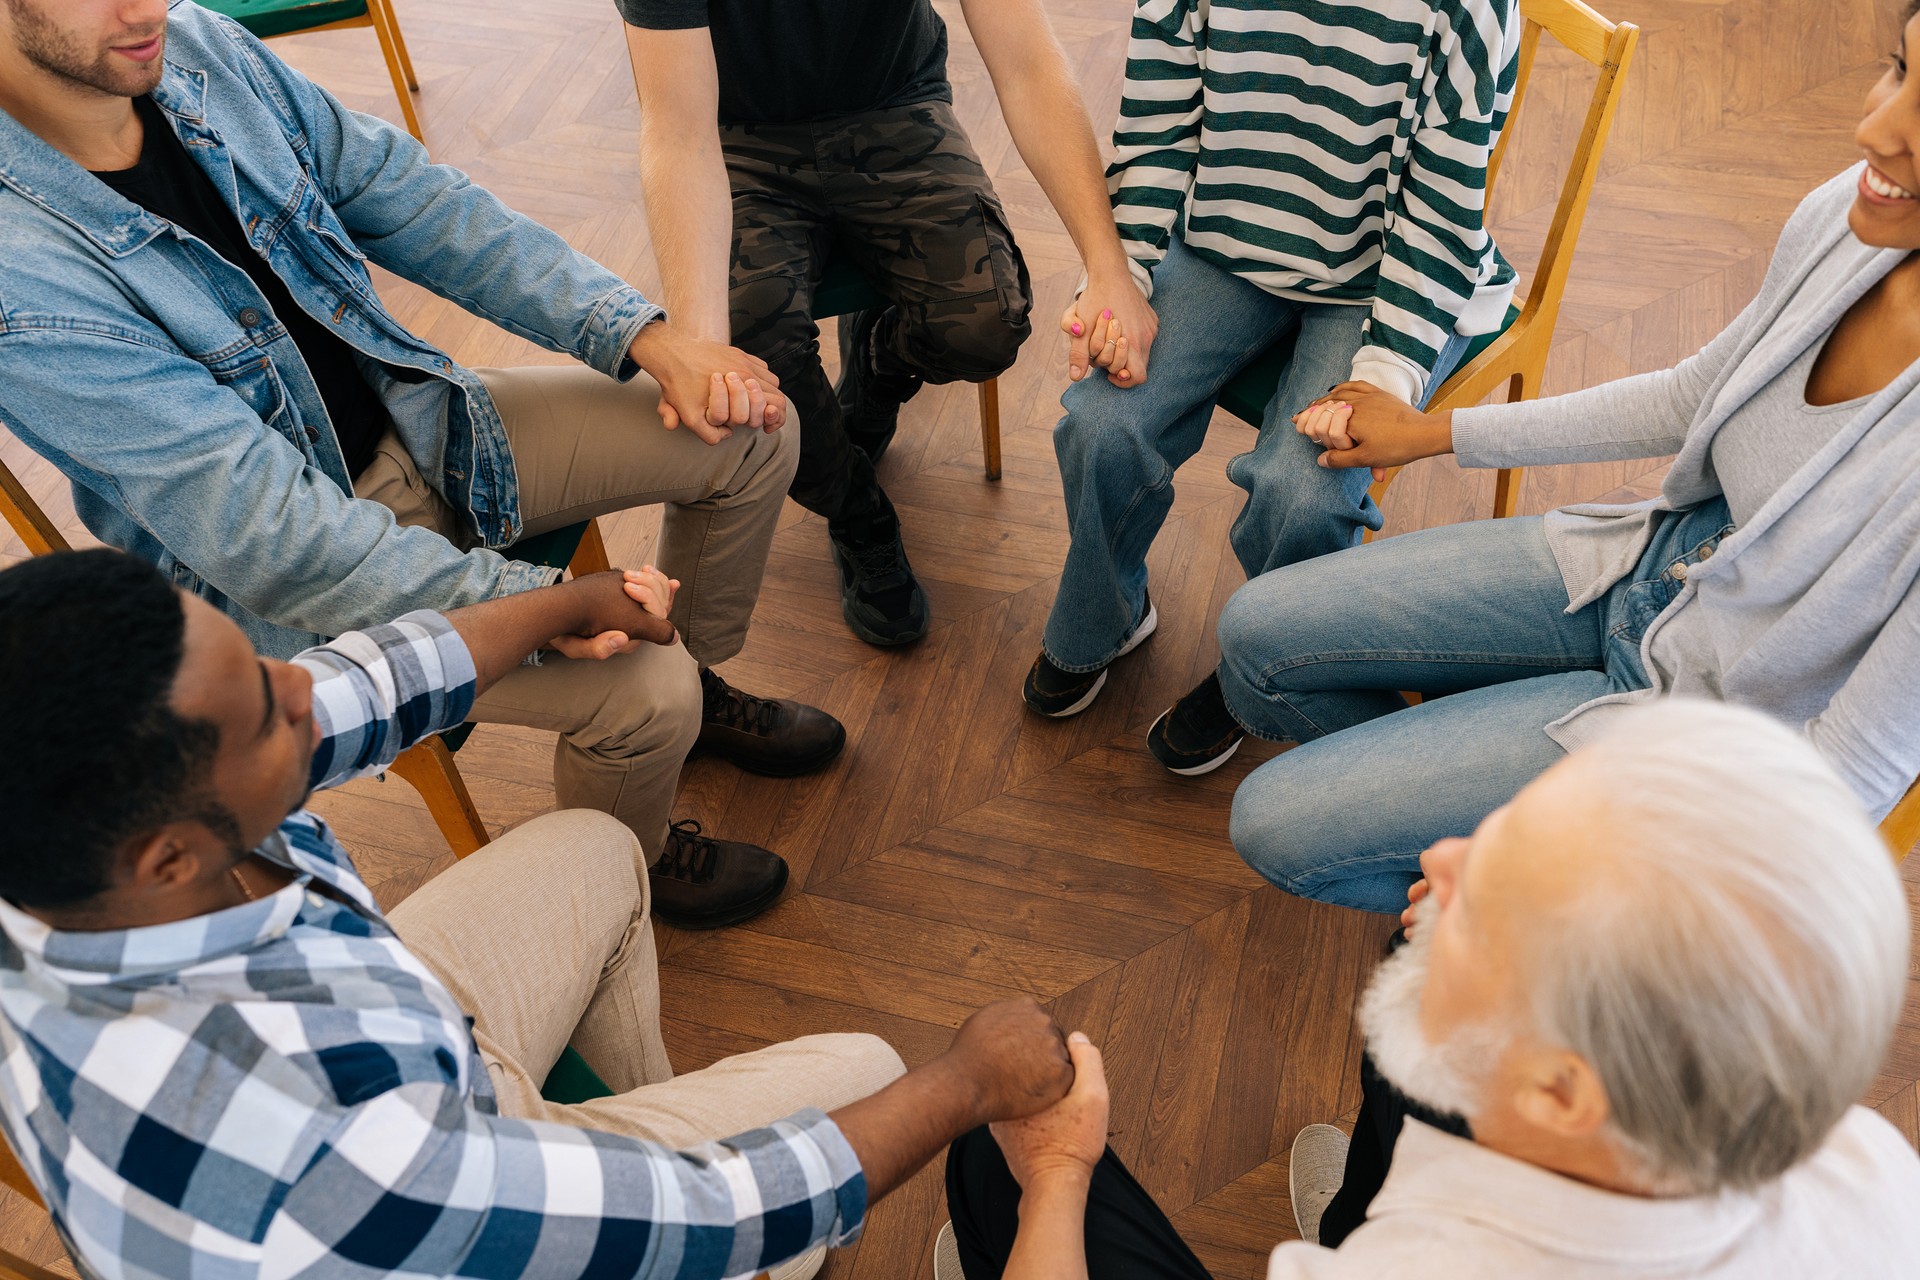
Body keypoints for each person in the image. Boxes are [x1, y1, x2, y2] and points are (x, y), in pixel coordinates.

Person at [0, 547, 1083, 1280]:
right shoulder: (321, 1153)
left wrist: (568, 604)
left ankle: (632, 1129)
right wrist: (971, 1078)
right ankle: (637, 1174)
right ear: (169, 855)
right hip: (416, 1167)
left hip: (416, 1058)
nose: (300, 690)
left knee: (600, 848)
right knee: (874, 1072)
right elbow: (711, 1217)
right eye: (263, 711)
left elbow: (364, 683)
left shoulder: (86, 847)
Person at [0, 0, 834, 930]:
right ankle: (621, 891)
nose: (147, 5)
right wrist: (542, 602)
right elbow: (275, 541)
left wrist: (647, 335)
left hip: (420, 421)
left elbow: (416, 200)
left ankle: (693, 690)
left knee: (753, 434)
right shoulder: (17, 270)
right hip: (288, 583)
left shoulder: (193, 45)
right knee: (643, 690)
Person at [1206, 4, 1920, 912]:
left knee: (1267, 820)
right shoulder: (1852, 213)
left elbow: (1851, 778)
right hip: (1646, 566)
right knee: (1252, 636)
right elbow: (1692, 392)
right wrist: (1435, 435)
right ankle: (1471, 826)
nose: (1875, 128)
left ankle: (1516, 908)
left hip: (1695, 736)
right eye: (1899, 71)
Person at [940, 700, 1920, 1278]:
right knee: (1411, 1018)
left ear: (1560, 1091)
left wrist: (1060, 1175)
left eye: (1490, 897)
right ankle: (1351, 1216)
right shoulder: (1872, 1164)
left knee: (999, 1161)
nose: (1441, 854)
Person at [1022, 0, 1518, 779]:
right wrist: (1122, 275)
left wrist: (1382, 376)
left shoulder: (1468, 11)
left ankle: (1262, 665)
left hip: (1384, 275)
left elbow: (1440, 210)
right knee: (1100, 422)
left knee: (1307, 489)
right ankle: (1105, 615)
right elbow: (1157, 124)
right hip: (1224, 242)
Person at [621, 0, 1155, 647]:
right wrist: (707, 348)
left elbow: (1029, 64)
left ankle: (877, 363)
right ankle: (858, 514)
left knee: (986, 327)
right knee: (754, 370)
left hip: (894, 107)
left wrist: (1107, 265)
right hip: (733, 134)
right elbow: (679, 133)